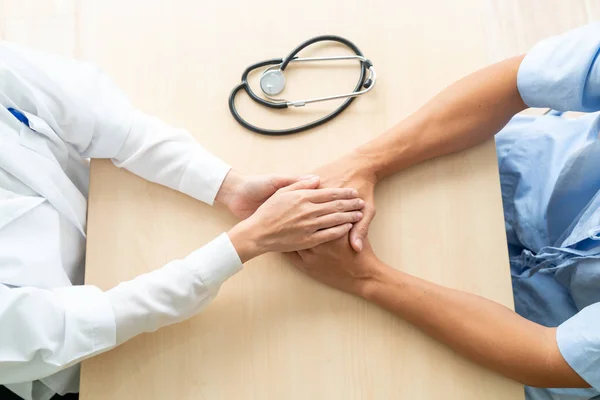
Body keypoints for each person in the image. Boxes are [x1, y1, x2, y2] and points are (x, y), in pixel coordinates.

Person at [0, 43, 366, 400]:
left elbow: (101, 120)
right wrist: (245, 243)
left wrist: (227, 186)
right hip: (89, 360)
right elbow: (73, 327)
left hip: (111, 219)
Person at [289, 23, 600, 400]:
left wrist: (365, 278)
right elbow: (516, 82)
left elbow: (548, 356)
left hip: (543, 327)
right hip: (521, 170)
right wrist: (367, 163)